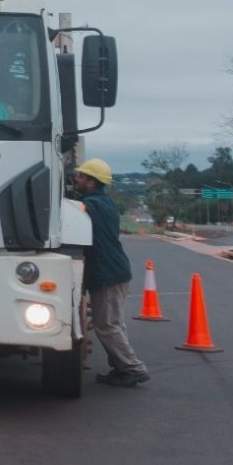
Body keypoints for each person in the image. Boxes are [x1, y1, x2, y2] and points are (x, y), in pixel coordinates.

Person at [73, 157, 150, 387]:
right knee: (114, 323)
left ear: (90, 182)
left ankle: (133, 368)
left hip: (108, 274)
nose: (76, 179)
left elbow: (76, 214)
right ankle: (120, 367)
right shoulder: (103, 203)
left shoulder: (91, 206)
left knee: (106, 325)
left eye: (80, 176)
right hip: (115, 271)